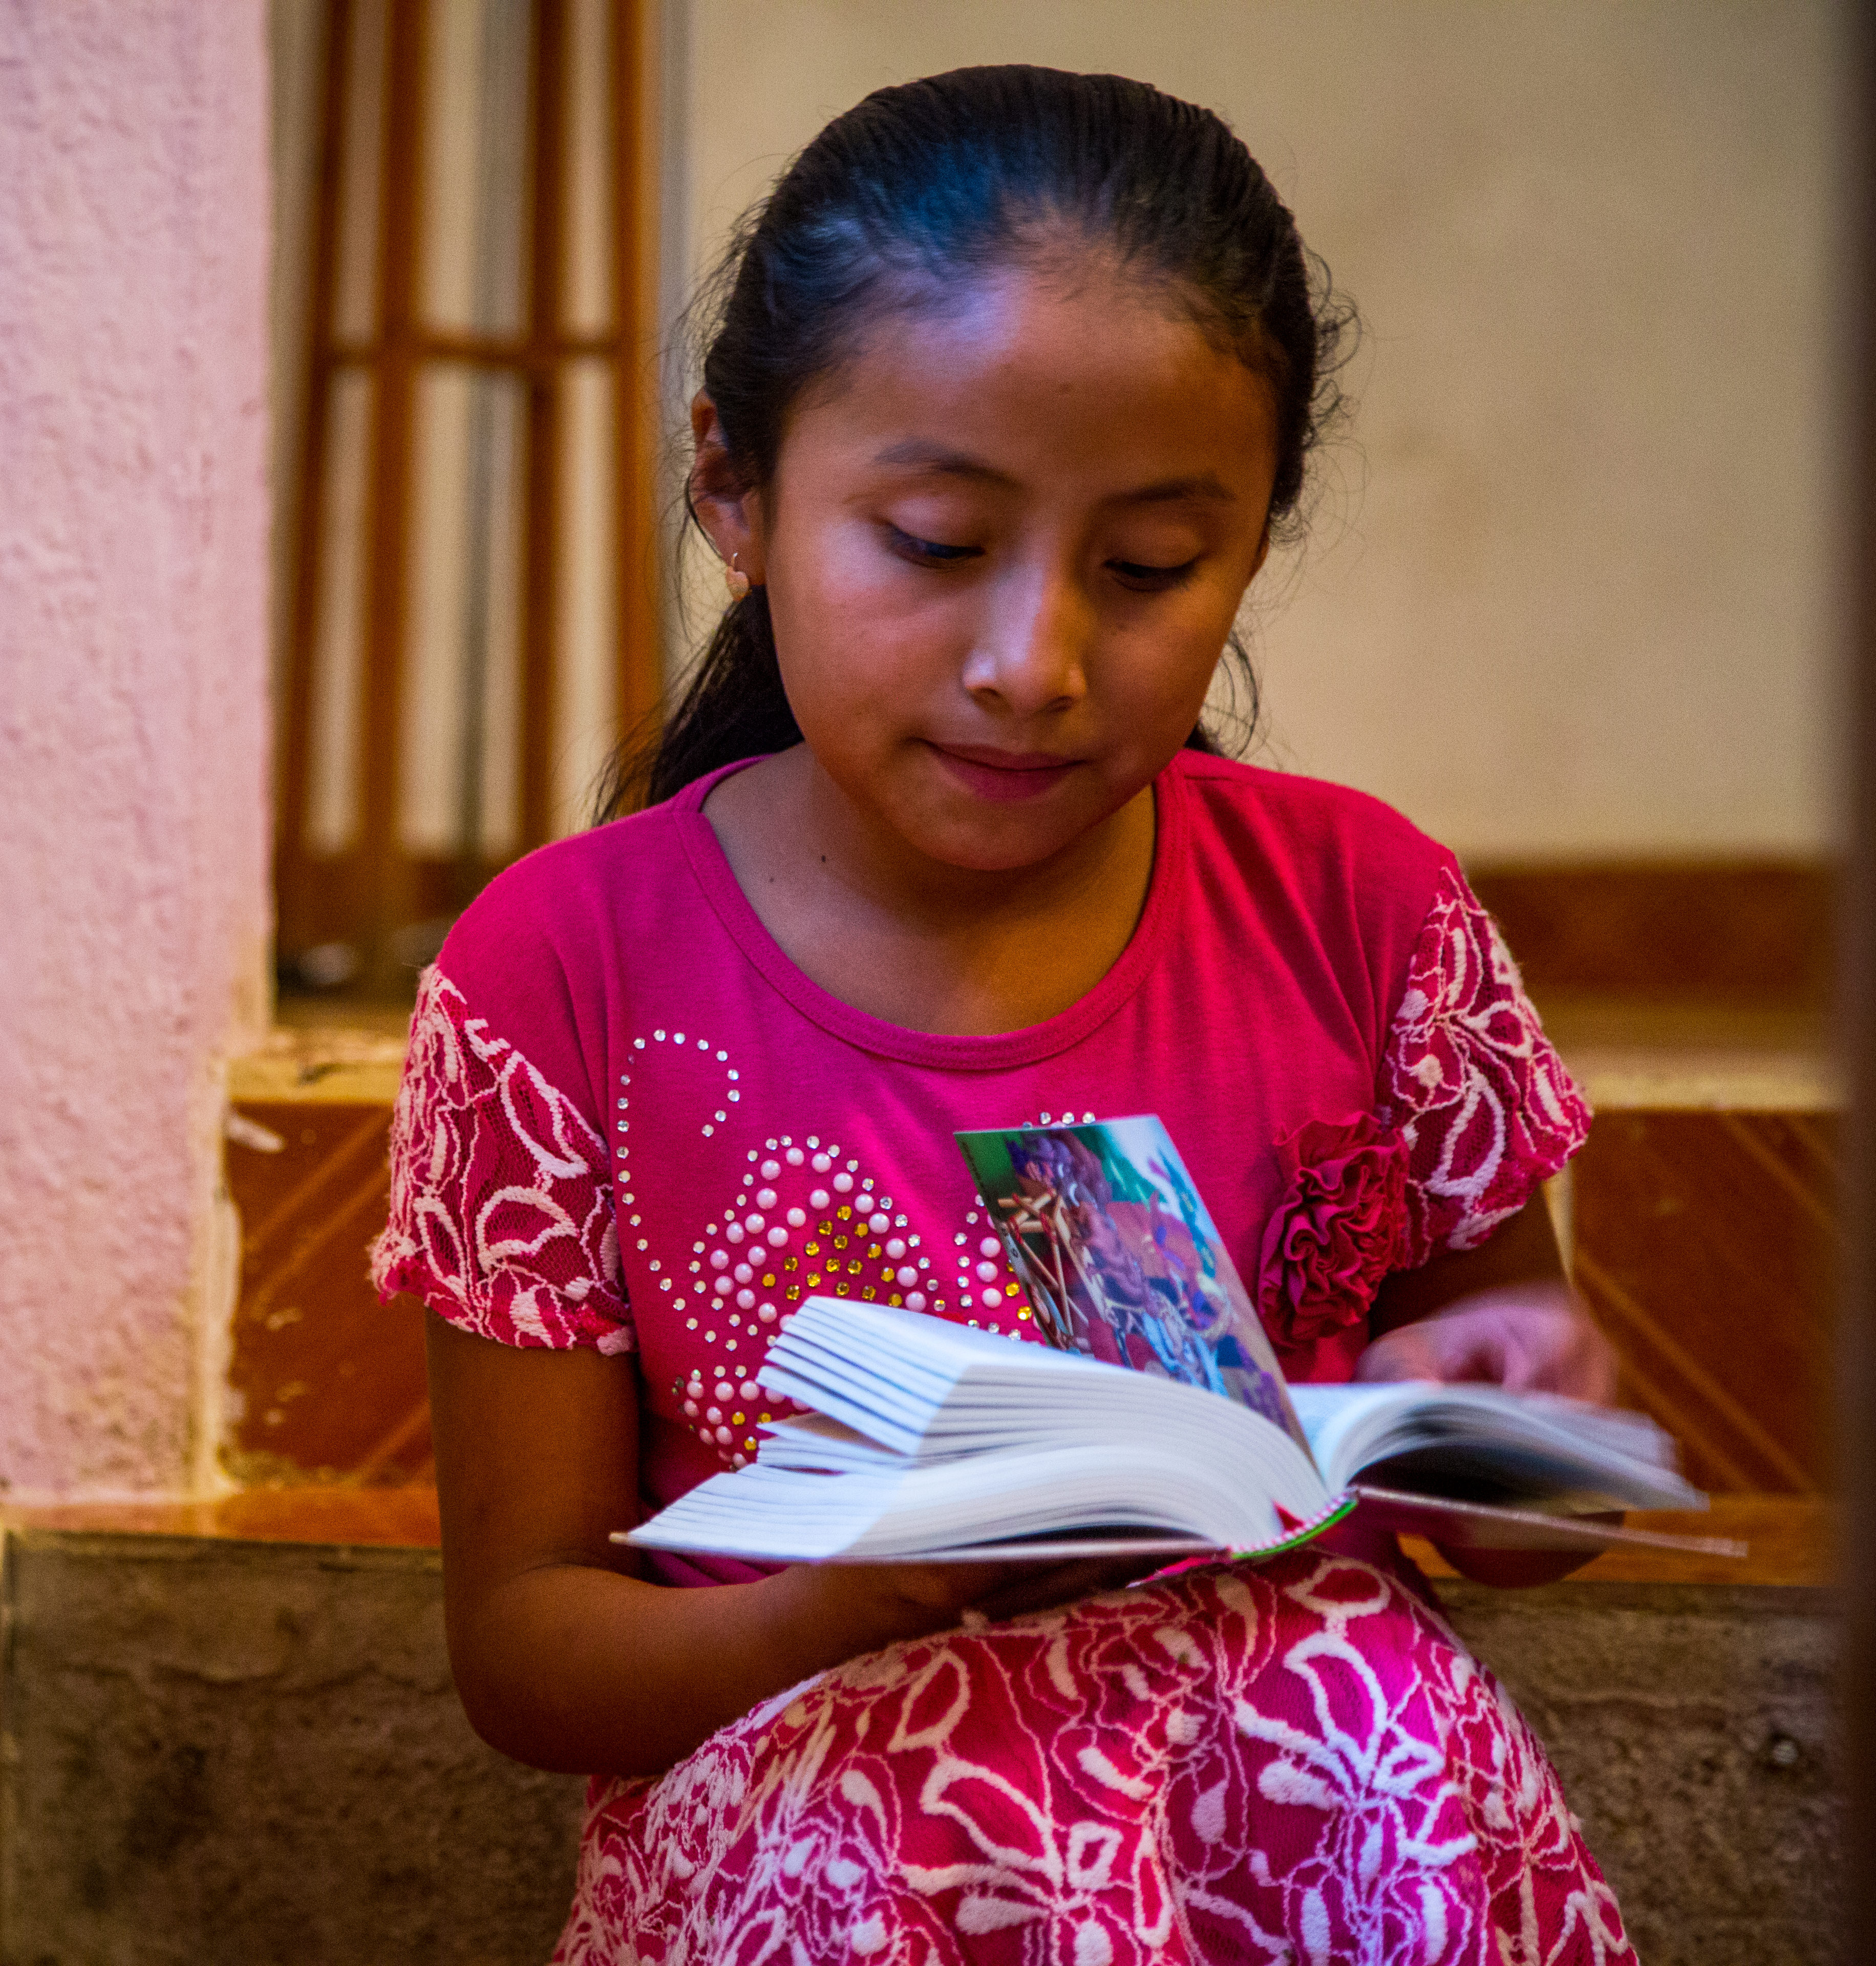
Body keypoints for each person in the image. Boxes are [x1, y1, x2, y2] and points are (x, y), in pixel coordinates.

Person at [372, 65, 1632, 1963]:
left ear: (1255, 542)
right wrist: (862, 1601)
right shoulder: (562, 974)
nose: (1032, 663)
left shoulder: (1362, 915)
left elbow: (1531, 1518)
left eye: (1144, 571)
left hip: (1311, 1835)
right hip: (834, 1842)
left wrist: (1527, 1416)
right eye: (939, 545)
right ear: (735, 485)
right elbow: (528, 1655)